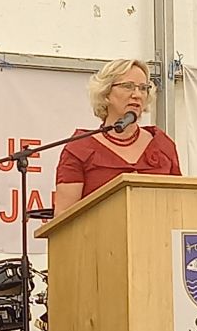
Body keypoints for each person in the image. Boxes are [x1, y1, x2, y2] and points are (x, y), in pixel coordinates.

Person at [54, 59, 182, 215]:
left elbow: (178, 206)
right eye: (128, 86)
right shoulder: (79, 149)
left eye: (143, 88)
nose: (137, 95)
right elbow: (64, 218)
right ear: (106, 93)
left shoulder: (162, 145)